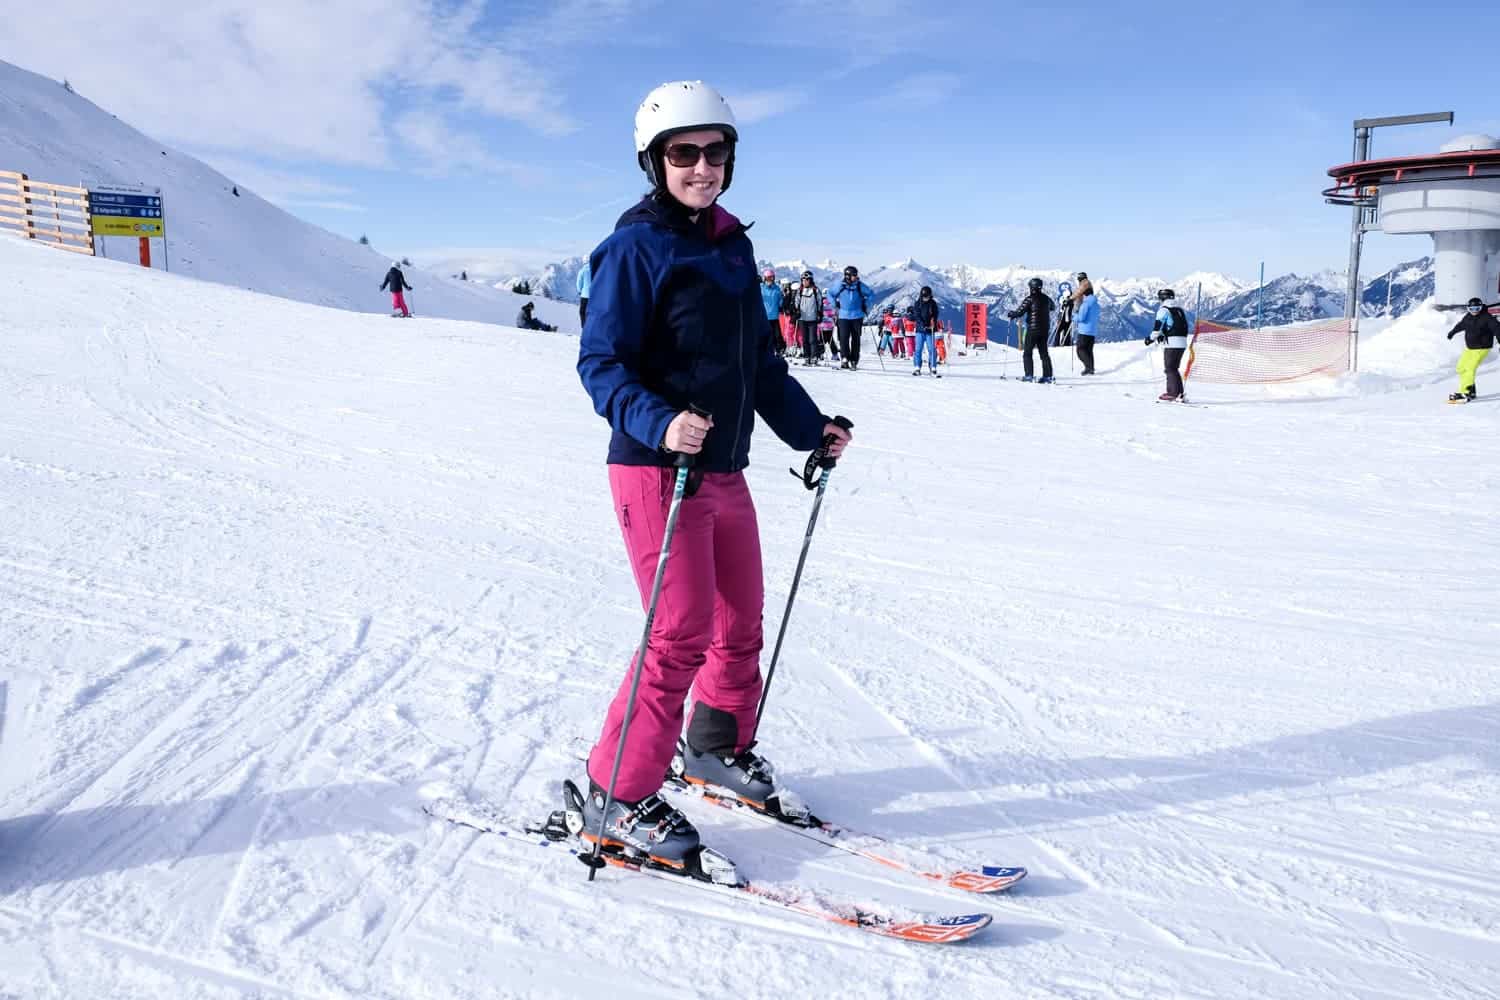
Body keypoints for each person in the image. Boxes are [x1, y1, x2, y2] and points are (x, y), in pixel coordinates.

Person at [575, 80, 853, 866]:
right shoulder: (634, 247)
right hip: (655, 474)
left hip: (723, 470)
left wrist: (809, 429)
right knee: (679, 635)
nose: (701, 166)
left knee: (740, 626)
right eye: (683, 153)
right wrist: (658, 419)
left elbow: (758, 366)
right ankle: (615, 794)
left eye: (715, 151)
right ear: (654, 161)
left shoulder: (734, 246)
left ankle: (713, 749)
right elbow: (599, 364)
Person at [1446, 297, 1500, 402]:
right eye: (1472, 309)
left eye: (1477, 308)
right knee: (1461, 368)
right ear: (1468, 309)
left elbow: (1497, 328)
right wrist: (1452, 332)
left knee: (1470, 368)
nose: (1474, 311)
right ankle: (1471, 391)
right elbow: (1461, 325)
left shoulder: (1487, 317)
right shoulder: (1468, 317)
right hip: (1470, 348)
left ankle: (1465, 392)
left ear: (1481, 307)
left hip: (1482, 347)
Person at [1145, 288, 1190, 401]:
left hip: (1172, 343)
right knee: (1174, 368)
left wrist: (1150, 339)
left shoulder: (1163, 310)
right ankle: (1179, 393)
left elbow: (1157, 328)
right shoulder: (1179, 309)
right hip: (1183, 342)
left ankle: (1173, 393)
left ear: (1162, 298)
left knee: (1170, 368)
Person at [1007, 277, 1055, 382]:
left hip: (1033, 330)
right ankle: (1048, 376)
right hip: (1044, 330)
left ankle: (1029, 376)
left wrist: (1011, 314)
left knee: (1028, 353)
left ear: (1031, 287)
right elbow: (1053, 307)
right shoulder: (1047, 299)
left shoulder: (1029, 299)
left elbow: (1020, 312)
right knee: (1044, 354)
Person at [830, 266, 874, 370]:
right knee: (844, 339)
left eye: (856, 275)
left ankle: (854, 360)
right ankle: (845, 358)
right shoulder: (840, 286)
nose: (856, 277)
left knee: (856, 339)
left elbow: (871, 294)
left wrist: (866, 304)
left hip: (857, 316)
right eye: (854, 275)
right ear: (848, 276)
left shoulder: (859, 285)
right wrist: (835, 304)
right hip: (843, 316)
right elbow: (830, 294)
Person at [792, 270, 824, 364]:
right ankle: (807, 356)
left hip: (812, 318)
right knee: (805, 339)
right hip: (802, 318)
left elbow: (820, 302)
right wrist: (796, 311)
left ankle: (814, 356)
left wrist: (819, 313)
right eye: (803, 280)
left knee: (812, 339)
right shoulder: (800, 290)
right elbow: (796, 302)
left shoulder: (815, 290)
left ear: (810, 280)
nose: (804, 282)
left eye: (806, 280)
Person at [910, 285, 942, 377]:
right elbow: (917, 316)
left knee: (932, 349)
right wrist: (923, 325)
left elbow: (935, 315)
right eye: (924, 296)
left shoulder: (933, 304)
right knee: (918, 349)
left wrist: (933, 321)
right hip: (920, 331)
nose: (925, 298)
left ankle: (933, 367)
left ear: (930, 295)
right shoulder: (918, 304)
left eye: (927, 296)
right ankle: (917, 367)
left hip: (930, 330)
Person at [1073, 272, 1098, 374]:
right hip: (1092, 331)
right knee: (1089, 350)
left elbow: (1081, 318)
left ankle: (1089, 368)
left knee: (1080, 350)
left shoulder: (1086, 303)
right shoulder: (1096, 303)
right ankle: (1090, 368)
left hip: (1084, 330)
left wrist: (1074, 317)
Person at [759, 267, 787, 356]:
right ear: (765, 278)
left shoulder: (777, 289)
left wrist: (783, 302)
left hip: (774, 316)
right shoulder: (761, 288)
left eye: (772, 278)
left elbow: (780, 301)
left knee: (777, 335)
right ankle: (764, 350)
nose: (771, 280)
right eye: (769, 278)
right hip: (764, 317)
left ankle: (779, 350)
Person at [577, 260, 592, 327]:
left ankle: (584, 328)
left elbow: (579, 283)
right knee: (591, 313)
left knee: (582, 312)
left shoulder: (582, 271)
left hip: (584, 296)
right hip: (594, 296)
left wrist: (579, 291)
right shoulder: (596, 269)